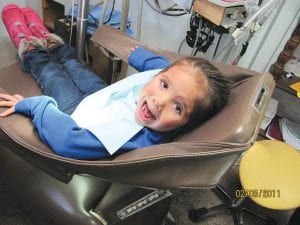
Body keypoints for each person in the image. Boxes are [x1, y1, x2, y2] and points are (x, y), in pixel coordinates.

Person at [0, 4, 231, 159]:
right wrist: (141, 57)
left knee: (53, 73)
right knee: (73, 63)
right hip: (107, 95)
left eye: (178, 107)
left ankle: (31, 48)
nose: (159, 101)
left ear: (186, 124)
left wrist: (34, 106)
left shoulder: (129, 138)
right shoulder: (161, 82)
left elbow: (66, 141)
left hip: (79, 114)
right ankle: (52, 43)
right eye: (164, 84)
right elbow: (161, 68)